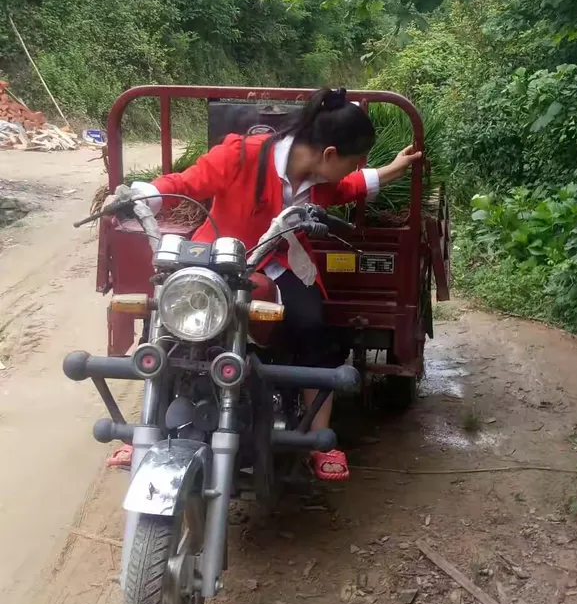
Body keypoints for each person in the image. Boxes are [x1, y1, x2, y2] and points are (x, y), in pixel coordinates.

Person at [133, 87, 421, 480]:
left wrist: (392, 168)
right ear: (330, 154)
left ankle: (319, 439)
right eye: (354, 161)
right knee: (171, 325)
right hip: (219, 258)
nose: (354, 168)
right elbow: (190, 181)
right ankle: (144, 434)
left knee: (313, 327)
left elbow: (348, 187)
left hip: (277, 264)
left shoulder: (319, 178)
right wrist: (147, 193)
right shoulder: (242, 153)